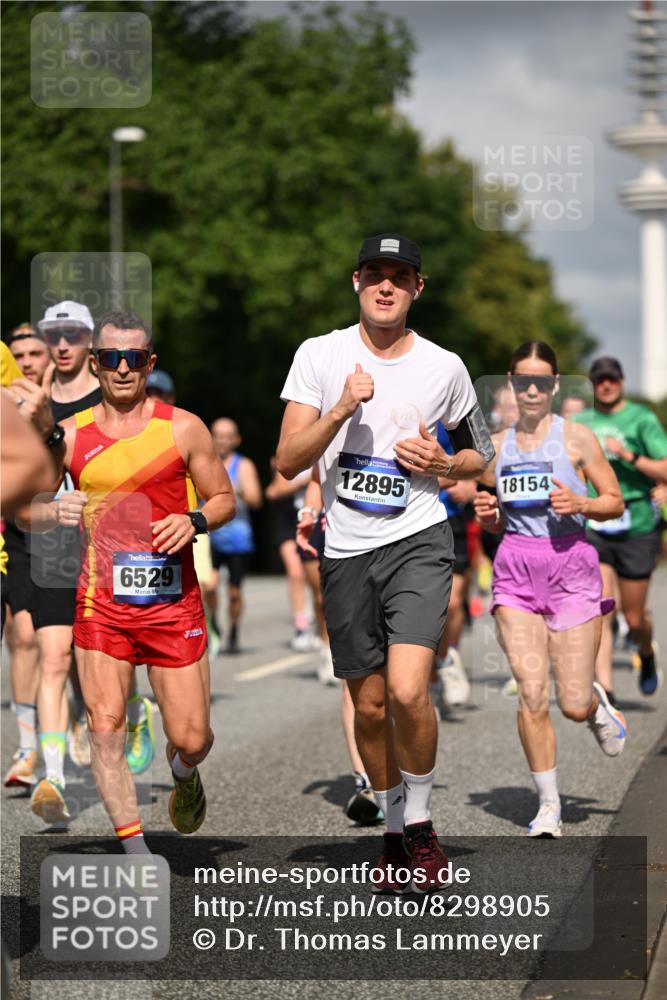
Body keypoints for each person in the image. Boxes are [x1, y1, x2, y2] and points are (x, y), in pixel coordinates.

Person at [277, 233, 493, 891]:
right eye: (375, 273)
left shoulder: (445, 366)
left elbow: (481, 453)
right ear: (356, 281)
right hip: (344, 549)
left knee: (406, 689)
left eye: (399, 276)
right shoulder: (320, 355)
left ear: (417, 288)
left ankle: (421, 826)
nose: (385, 285)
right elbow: (287, 461)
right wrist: (342, 406)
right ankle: (394, 825)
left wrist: (446, 463)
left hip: (419, 539)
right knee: (368, 708)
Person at [26, 309, 235, 851]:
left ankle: (184, 773)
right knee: (105, 725)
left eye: (134, 359)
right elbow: (25, 509)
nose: (123, 369)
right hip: (102, 606)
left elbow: (224, 499)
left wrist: (192, 520)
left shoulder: (183, 427)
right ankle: (135, 850)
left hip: (173, 604)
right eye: (112, 358)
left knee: (193, 736)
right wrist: (56, 510)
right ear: (95, 364)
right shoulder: (69, 436)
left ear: (149, 363)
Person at [474, 341, 627, 839]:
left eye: (542, 381)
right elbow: (497, 522)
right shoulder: (496, 448)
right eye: (523, 381)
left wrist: (580, 502)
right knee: (533, 693)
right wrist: (491, 517)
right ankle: (548, 806)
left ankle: (596, 707)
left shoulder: (578, 439)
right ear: (512, 385)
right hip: (516, 572)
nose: (533, 389)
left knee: (572, 704)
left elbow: (613, 501)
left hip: (572, 570)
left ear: (556, 385)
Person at [573, 357, 667, 698]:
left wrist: (628, 457)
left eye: (611, 379)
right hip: (596, 521)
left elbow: (665, 470)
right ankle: (605, 687)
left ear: (622, 381)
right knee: (601, 603)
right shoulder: (581, 422)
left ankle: (646, 651)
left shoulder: (641, 419)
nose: (606, 385)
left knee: (635, 616)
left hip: (636, 523)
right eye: (599, 380)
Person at [2, 326, 51, 787]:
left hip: (62, 531)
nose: (27, 361)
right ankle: (27, 747)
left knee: (61, 649)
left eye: (35, 352)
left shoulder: (66, 398)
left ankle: (78, 718)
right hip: (15, 530)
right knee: (22, 636)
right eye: (19, 354)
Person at [208, 418, 262, 653]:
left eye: (226, 435)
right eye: (217, 435)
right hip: (209, 536)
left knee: (234, 593)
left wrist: (232, 488)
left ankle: (234, 628)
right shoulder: (205, 462)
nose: (221, 440)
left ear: (236, 439)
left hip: (238, 539)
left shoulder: (244, 466)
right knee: (209, 586)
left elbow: (256, 499)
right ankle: (214, 624)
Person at [265, 463, 316, 651]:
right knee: (295, 573)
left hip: (319, 519)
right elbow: (274, 491)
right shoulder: (292, 453)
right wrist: (305, 481)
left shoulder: (328, 449)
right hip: (289, 522)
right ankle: (301, 626)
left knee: (317, 579)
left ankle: (320, 623)